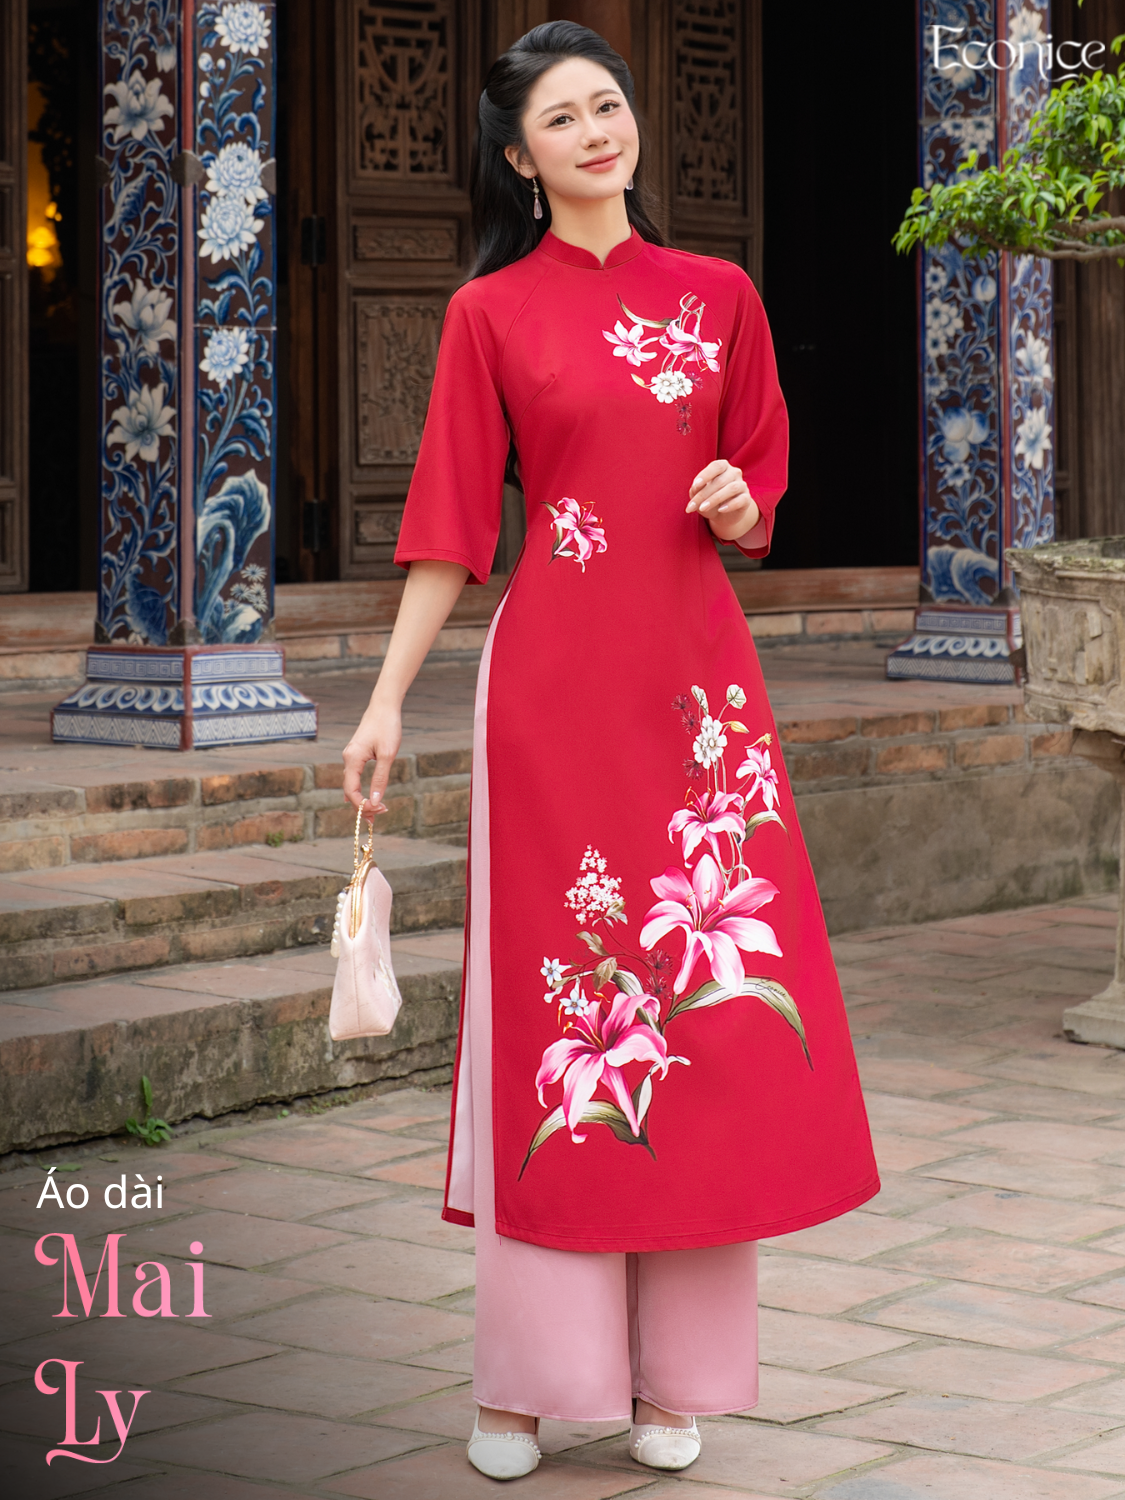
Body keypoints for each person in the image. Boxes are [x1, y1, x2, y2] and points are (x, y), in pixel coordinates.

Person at [342, 21, 878, 1482]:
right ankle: (528, 1386)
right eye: (562, 118)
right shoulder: (490, 313)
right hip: (556, 694)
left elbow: (758, 477)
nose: (597, 131)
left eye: (609, 105)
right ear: (521, 158)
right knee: (564, 1015)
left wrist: (738, 501)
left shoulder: (719, 297)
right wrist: (385, 702)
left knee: (701, 1018)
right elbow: (452, 523)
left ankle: (673, 1379)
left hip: (700, 702)